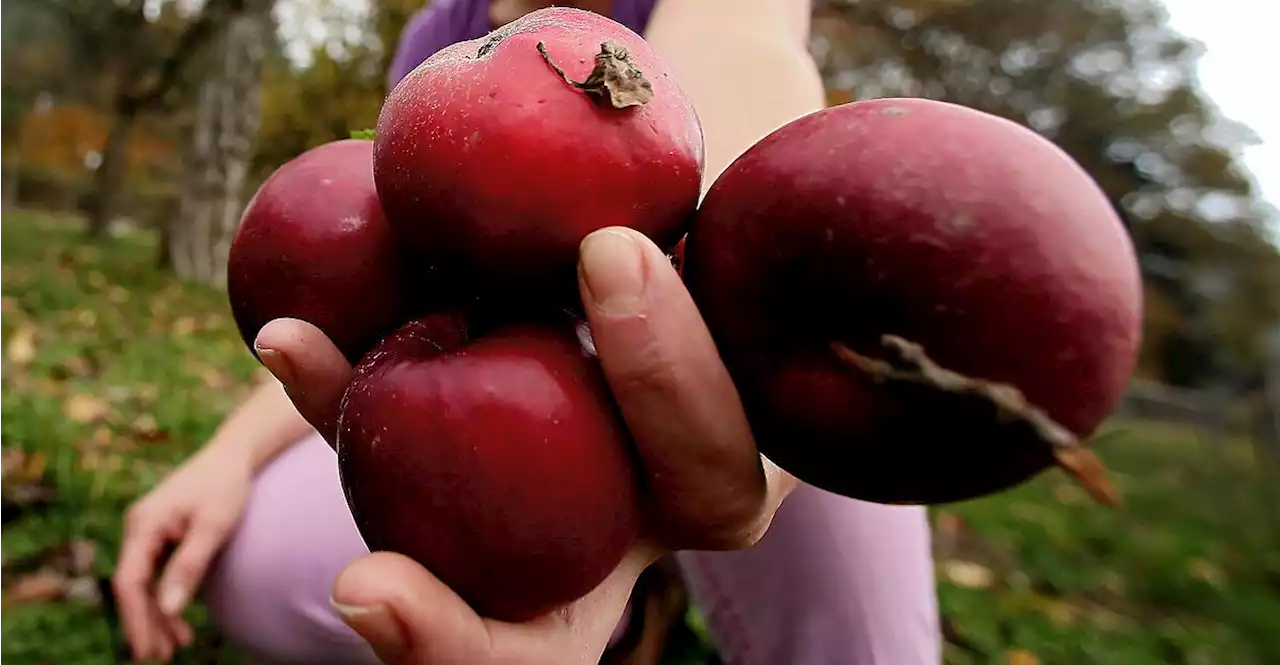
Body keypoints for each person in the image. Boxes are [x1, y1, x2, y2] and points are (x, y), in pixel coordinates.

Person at [111, 1, 943, 663]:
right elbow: (380, 305)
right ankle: (628, 610)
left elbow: (745, 52)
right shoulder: (441, 37)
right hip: (523, 409)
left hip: (741, 373)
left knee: (861, 628)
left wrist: (725, 306)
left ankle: (678, 563)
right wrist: (227, 453)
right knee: (258, 576)